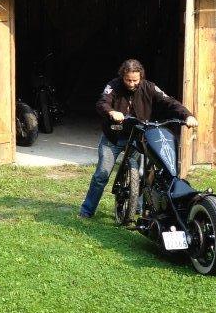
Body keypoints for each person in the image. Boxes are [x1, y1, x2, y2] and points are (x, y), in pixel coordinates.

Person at [79, 58, 197, 219]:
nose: (132, 83)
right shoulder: (113, 86)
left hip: (137, 137)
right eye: (128, 80)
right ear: (122, 76)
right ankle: (87, 210)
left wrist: (187, 115)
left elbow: (169, 101)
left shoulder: (149, 87)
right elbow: (102, 102)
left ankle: (136, 208)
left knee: (141, 175)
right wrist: (111, 112)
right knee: (102, 175)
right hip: (113, 137)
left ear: (141, 76)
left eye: (135, 80)